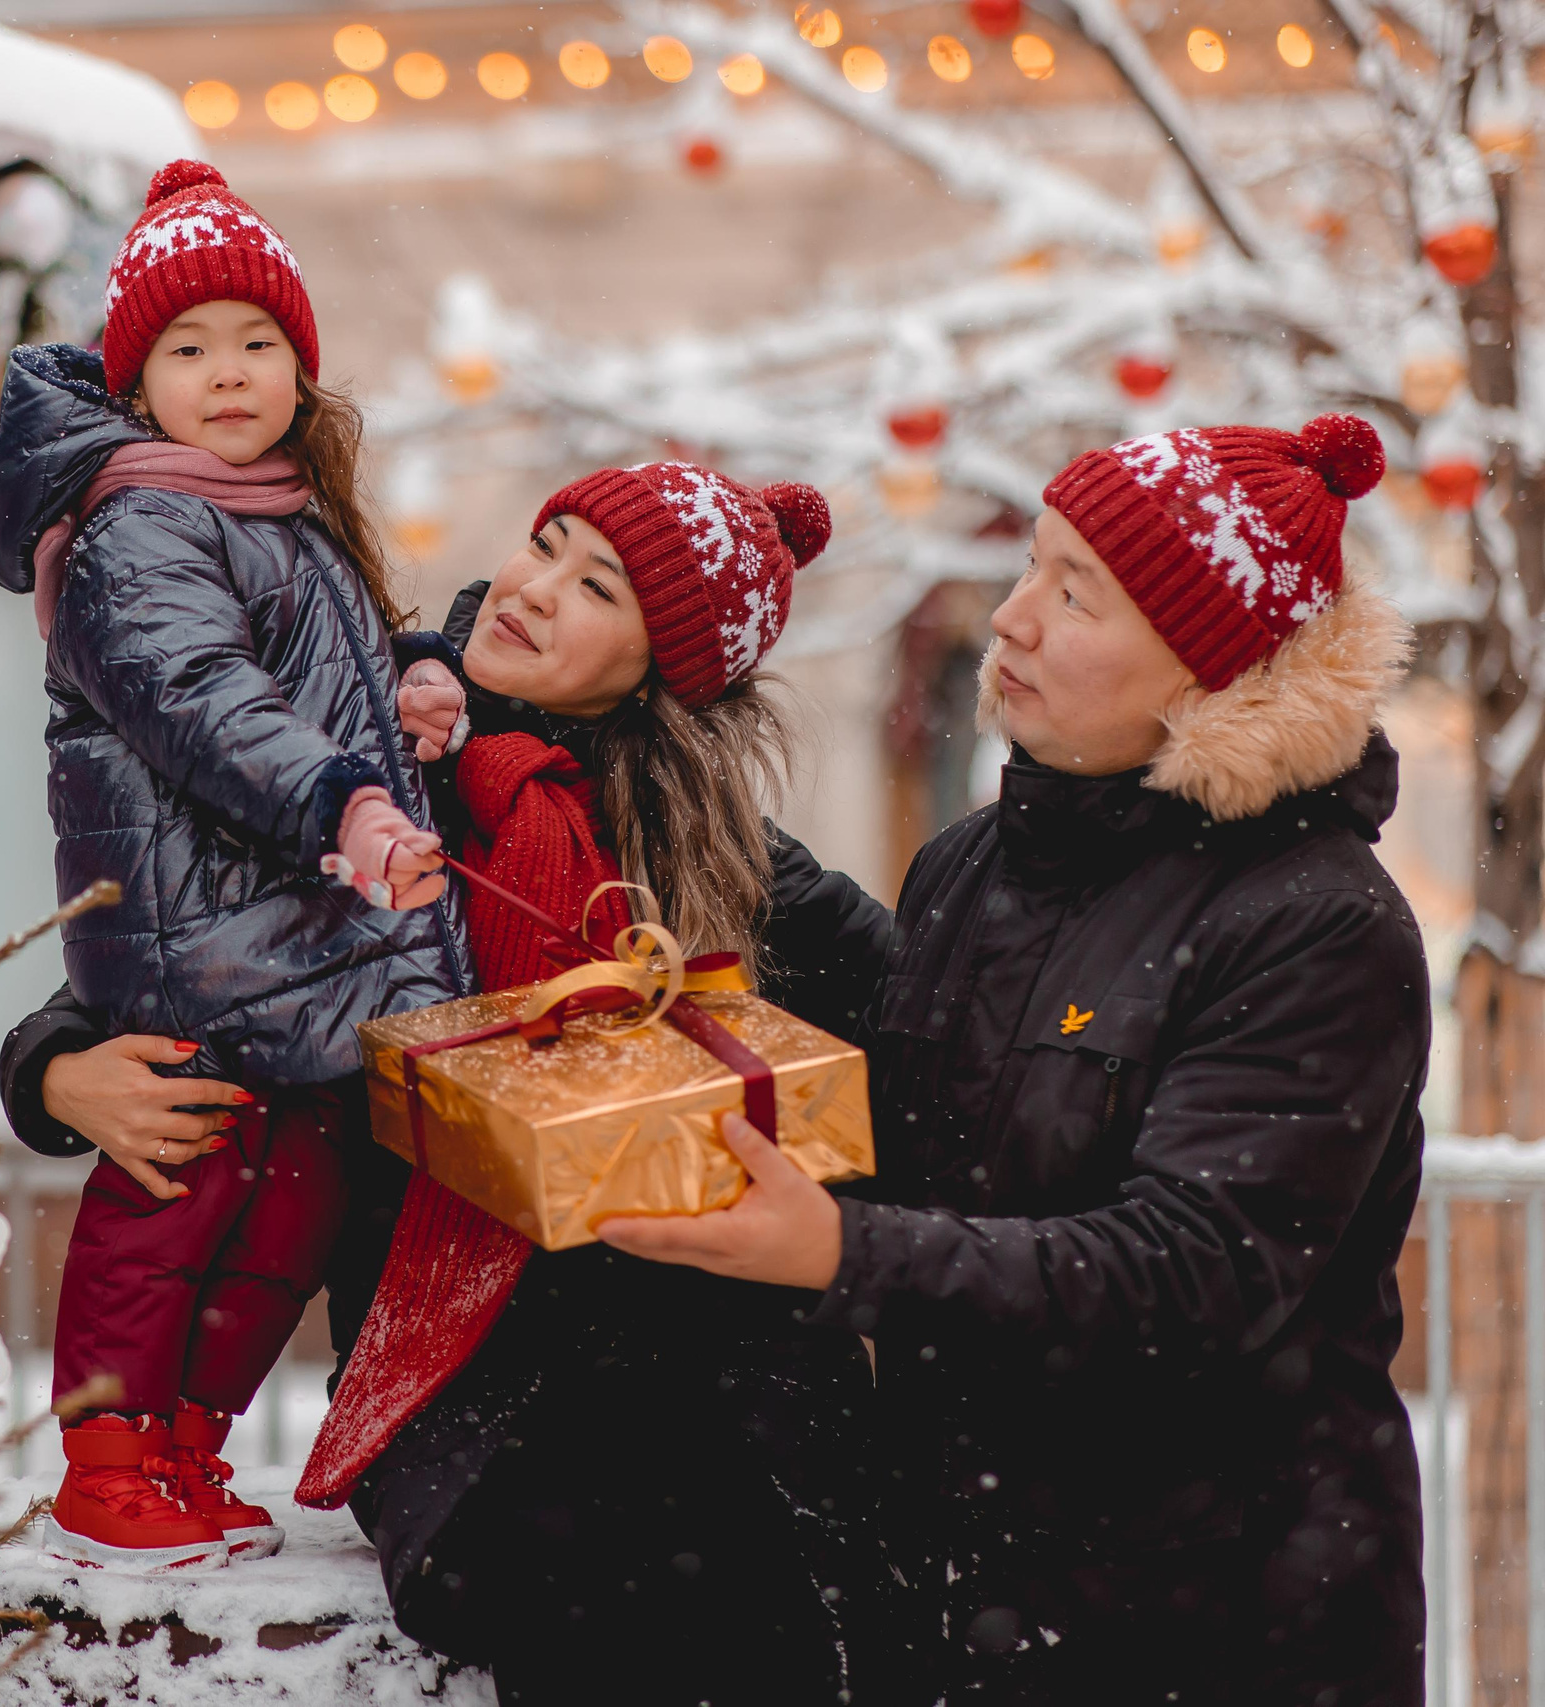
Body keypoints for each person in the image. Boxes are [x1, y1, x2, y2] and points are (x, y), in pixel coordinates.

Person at [3, 462, 897, 1702]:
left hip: (693, 1321)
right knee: (570, 1557)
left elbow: (918, 1012)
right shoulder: (361, 770)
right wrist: (54, 1068)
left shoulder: (700, 840)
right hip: (455, 1353)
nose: (535, 588)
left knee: (773, 1542)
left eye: (600, 589)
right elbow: (181, 940)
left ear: (661, 672)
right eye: (547, 542)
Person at [600, 414, 1429, 1706]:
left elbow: (1191, 1272)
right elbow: (930, 1117)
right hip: (961, 1600)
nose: (1011, 617)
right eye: (1031, 564)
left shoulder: (1315, 922)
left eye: (1075, 593)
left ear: (1210, 666)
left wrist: (841, 1251)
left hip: (1211, 1624)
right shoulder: (973, 862)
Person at [0, 159, 465, 1573]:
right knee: (178, 1188)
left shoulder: (280, 514)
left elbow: (308, 667)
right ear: (137, 385)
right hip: (190, 928)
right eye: (188, 349)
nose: (230, 371)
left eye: (258, 341)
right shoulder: (142, 523)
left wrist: (405, 678)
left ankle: (187, 1436)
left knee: (293, 1195)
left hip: (292, 935)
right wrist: (346, 798)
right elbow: (202, 698)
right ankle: (108, 1454)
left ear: (301, 369)